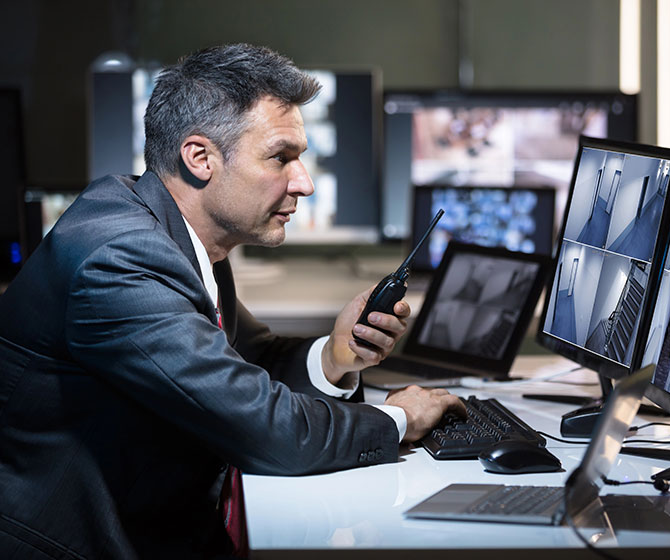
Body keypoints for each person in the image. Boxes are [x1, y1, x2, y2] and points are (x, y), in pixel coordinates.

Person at [0, 43, 465, 559]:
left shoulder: (179, 231)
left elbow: (245, 360)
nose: (304, 183)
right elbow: (265, 428)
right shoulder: (120, 259)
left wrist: (335, 357)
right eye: (280, 158)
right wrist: (398, 418)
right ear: (200, 158)